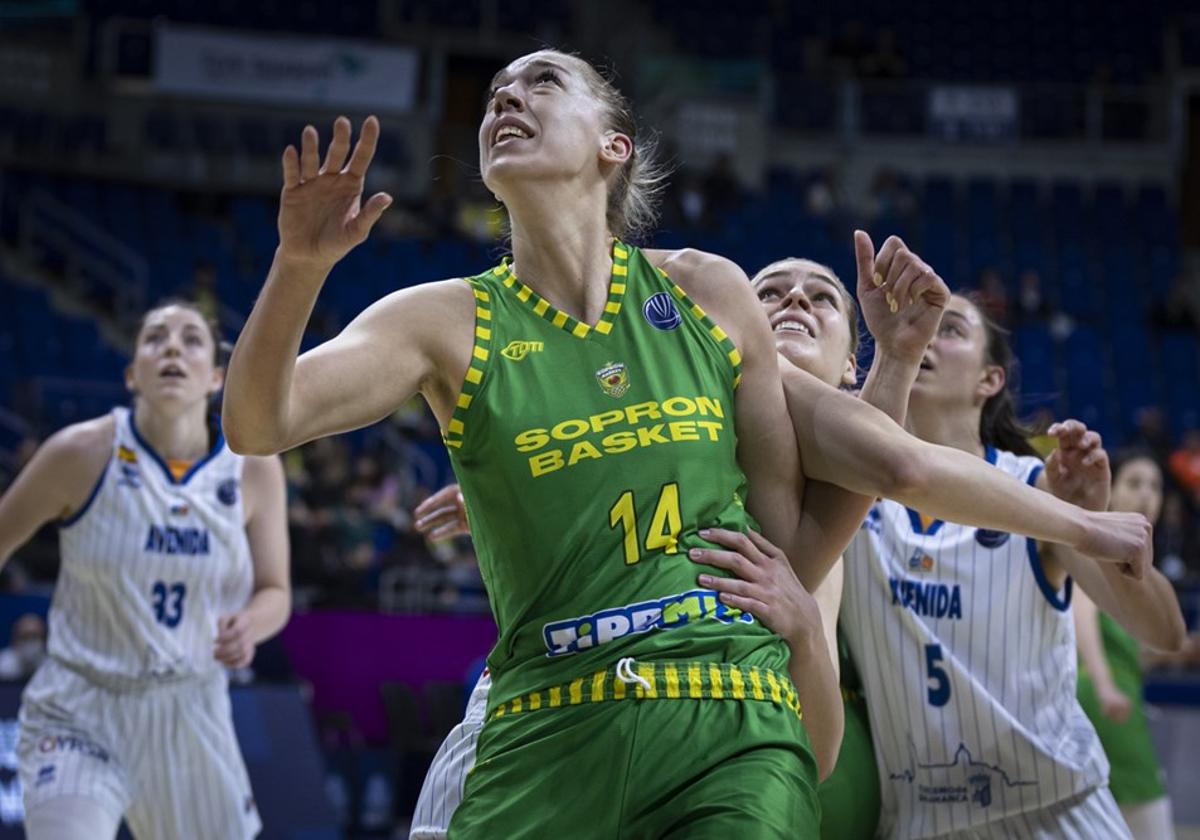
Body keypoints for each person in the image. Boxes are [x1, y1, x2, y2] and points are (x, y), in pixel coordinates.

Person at [224, 49, 1150, 837]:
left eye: (541, 83)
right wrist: (299, 268)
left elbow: (847, 493)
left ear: (612, 146)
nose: (506, 98)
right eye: (497, 92)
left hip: (723, 708)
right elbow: (258, 423)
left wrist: (1091, 527)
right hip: (545, 712)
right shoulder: (439, 320)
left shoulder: (707, 294)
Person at [821, 294, 1187, 837]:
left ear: (988, 380)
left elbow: (1165, 631)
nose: (925, 339)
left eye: (950, 331)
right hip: (921, 824)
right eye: (922, 327)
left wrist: (1090, 524)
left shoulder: (1034, 489)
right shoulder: (849, 494)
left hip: (1056, 813)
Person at [0, 301, 290, 839]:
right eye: (155, 339)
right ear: (133, 374)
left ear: (217, 377)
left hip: (191, 710)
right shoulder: (80, 453)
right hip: (80, 707)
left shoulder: (253, 468)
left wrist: (250, 624)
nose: (173, 348)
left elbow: (276, 592)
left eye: (191, 340)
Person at [1076, 451, 1200, 840]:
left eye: (1155, 486)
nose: (1147, 495)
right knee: (1151, 817)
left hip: (1121, 696)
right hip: (1102, 702)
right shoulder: (1094, 547)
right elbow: (1082, 618)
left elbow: (1136, 651)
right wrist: (1103, 684)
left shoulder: (1141, 566)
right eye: (1134, 483)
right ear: (1109, 491)